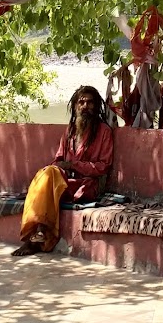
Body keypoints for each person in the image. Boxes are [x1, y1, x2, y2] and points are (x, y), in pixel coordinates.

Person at [12, 85, 114, 257]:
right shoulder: (70, 131)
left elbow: (104, 166)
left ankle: (36, 238)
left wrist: (74, 165)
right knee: (46, 173)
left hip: (87, 184)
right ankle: (38, 234)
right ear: (75, 106)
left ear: (96, 106)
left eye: (90, 102)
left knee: (47, 178)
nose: (85, 106)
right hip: (65, 181)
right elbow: (59, 160)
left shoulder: (104, 131)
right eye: (81, 102)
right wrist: (58, 167)